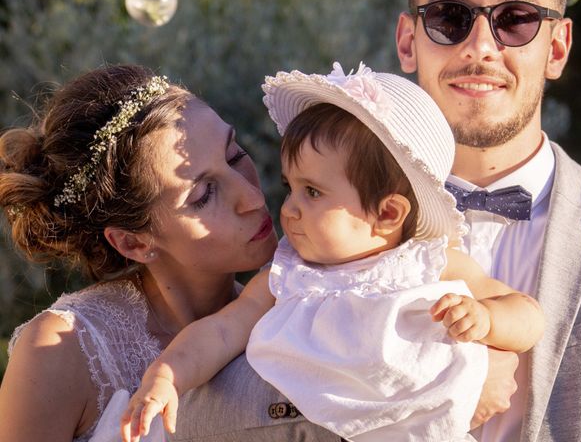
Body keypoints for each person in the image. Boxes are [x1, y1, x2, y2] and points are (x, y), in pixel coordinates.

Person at [121, 62, 544, 442]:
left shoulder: (429, 262)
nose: (288, 208)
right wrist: (167, 375)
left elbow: (528, 315)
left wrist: (488, 319)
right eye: (291, 188)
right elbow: (222, 330)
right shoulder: (289, 275)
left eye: (313, 192)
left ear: (387, 213)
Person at [0, 64, 341, 442]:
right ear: (134, 242)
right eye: (204, 195)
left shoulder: (290, 323)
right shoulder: (60, 351)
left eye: (233, 155)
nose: (253, 197)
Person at [395, 0, 581, 441]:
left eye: (516, 18)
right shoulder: (334, 226)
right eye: (450, 16)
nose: (481, 46)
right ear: (408, 41)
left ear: (557, 47)